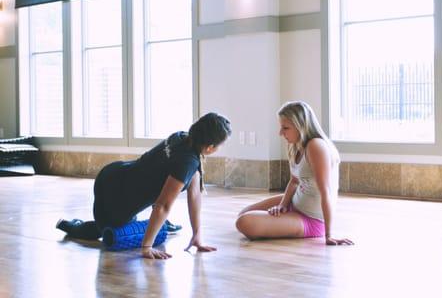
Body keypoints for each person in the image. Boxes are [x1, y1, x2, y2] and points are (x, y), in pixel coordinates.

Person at [56, 112, 232, 259]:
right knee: (112, 231)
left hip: (111, 174)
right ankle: (72, 226)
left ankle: (159, 225)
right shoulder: (187, 161)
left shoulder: (182, 137)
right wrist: (146, 247)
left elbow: (194, 194)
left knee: (111, 224)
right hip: (116, 199)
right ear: (209, 147)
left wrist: (197, 234)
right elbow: (162, 205)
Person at [236, 101, 353, 246]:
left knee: (244, 222)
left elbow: (326, 191)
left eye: (285, 128)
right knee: (243, 213)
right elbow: (294, 181)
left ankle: (311, 227)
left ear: (301, 127)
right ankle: (285, 214)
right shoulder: (296, 145)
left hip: (311, 219)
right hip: (295, 203)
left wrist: (329, 235)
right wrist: (282, 205)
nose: (280, 133)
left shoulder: (316, 146)